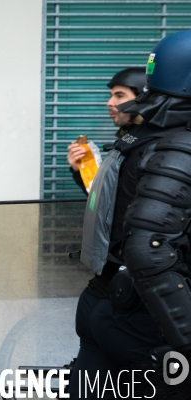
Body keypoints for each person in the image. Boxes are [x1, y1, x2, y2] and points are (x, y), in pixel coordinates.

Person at [68, 30, 191, 399]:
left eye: (119, 95)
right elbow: (149, 246)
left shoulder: (134, 143)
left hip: (104, 300)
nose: (111, 103)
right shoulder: (175, 146)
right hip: (139, 316)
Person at [67, 67, 146, 195]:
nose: (109, 103)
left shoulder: (157, 144)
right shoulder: (128, 138)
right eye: (111, 96)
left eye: (119, 96)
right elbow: (106, 198)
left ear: (143, 100)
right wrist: (82, 169)